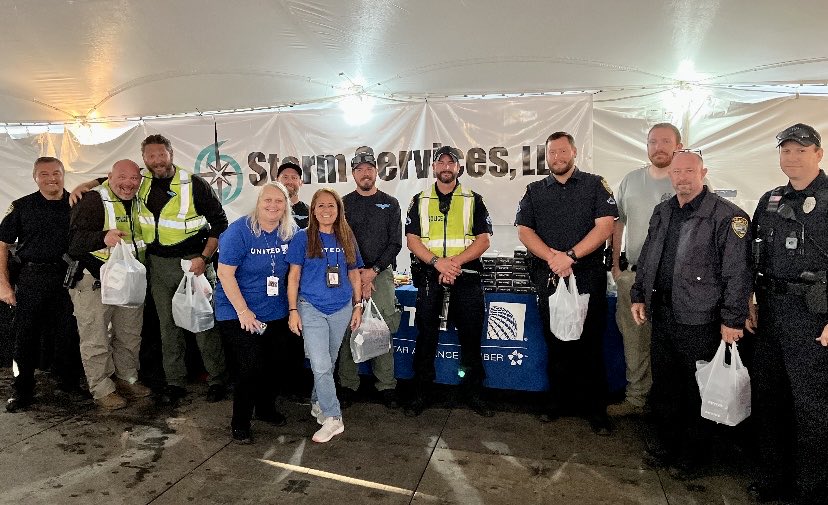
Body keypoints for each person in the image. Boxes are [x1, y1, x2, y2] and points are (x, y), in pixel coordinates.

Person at [630, 150, 752, 479]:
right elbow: (649, 254)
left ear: (703, 172)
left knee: (697, 389)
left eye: (689, 171)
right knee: (666, 386)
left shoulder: (727, 216)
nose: (682, 177)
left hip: (701, 318)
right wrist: (639, 293)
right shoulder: (664, 210)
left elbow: (738, 273)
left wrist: (732, 319)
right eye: (676, 172)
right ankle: (666, 445)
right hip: (663, 313)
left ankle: (693, 456)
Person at [747, 123, 828, 504]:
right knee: (770, 397)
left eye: (801, 150)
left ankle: (811, 484)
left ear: (818, 154)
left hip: (813, 314)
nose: (791, 157)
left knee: (810, 403)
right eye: (786, 150)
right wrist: (748, 299)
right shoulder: (770, 199)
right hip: (771, 311)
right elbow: (752, 254)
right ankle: (772, 477)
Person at [516, 132, 617, 435]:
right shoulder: (534, 190)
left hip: (587, 277)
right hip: (550, 277)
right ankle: (556, 403)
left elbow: (606, 226)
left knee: (589, 344)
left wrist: (571, 256)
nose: (557, 157)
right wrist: (552, 258)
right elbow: (524, 230)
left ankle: (595, 410)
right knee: (556, 343)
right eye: (551, 153)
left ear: (574, 151)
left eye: (562, 151)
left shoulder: (594, 184)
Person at [404, 145, 493, 418]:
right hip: (431, 276)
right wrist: (437, 263)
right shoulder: (418, 200)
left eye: (450, 162)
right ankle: (422, 392)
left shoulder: (474, 199)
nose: (445, 166)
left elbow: (484, 240)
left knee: (469, 337)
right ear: (433, 168)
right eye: (440, 162)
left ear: (458, 167)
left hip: (465, 278)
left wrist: (454, 263)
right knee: (426, 336)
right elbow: (412, 240)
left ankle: (473, 392)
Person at [608, 123, 683, 416]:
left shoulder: (686, 179)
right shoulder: (631, 180)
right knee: (634, 341)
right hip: (634, 276)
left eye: (666, 141)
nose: (659, 147)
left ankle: (668, 407)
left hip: (675, 282)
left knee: (670, 345)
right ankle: (637, 400)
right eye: (653, 142)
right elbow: (617, 222)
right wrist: (616, 266)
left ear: (679, 144)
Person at [215, 182, 297, 444]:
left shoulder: (291, 232)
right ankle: (240, 422)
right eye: (268, 200)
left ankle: (264, 409)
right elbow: (225, 274)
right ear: (258, 202)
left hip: (274, 310)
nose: (273, 206)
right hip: (237, 310)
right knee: (250, 366)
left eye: (279, 201)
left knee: (276, 363)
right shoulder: (238, 232)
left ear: (287, 205)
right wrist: (243, 311)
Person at [67, 159, 152, 410]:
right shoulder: (93, 200)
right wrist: (102, 237)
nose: (128, 183)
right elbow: (73, 243)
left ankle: (127, 378)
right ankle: (102, 388)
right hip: (94, 279)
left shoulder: (140, 197)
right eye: (122, 177)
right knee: (96, 336)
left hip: (129, 280)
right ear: (109, 177)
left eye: (134, 178)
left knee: (129, 334)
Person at [0, 157, 82, 412]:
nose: (51, 178)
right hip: (32, 277)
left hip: (68, 278)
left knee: (68, 333)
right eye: (44, 174)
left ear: (64, 174)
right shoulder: (22, 206)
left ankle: (69, 383)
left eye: (56, 173)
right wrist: (3, 284)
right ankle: (22, 389)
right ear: (35, 177)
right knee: (25, 337)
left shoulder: (76, 204)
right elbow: (2, 244)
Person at [286, 188, 363, 443]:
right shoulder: (303, 238)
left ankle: (318, 401)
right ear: (313, 210)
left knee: (327, 363)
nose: (326, 210)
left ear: (338, 209)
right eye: (321, 206)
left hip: (340, 308)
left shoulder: (346, 236)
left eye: (331, 205)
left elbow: (354, 273)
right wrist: (293, 310)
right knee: (320, 363)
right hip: (311, 307)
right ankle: (333, 417)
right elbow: (294, 277)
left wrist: (358, 305)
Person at [337, 147, 402, 408]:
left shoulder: (390, 203)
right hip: (349, 274)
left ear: (376, 171)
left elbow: (395, 243)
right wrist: (358, 273)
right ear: (353, 174)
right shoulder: (343, 203)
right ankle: (348, 385)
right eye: (360, 169)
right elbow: (339, 241)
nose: (365, 173)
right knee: (346, 330)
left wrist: (373, 271)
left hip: (381, 275)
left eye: (369, 169)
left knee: (382, 329)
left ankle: (386, 385)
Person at [277, 162, 309, 229]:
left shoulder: (310, 213)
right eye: (285, 177)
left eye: (294, 178)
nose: (290, 182)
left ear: (300, 182)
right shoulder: (270, 210)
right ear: (277, 181)